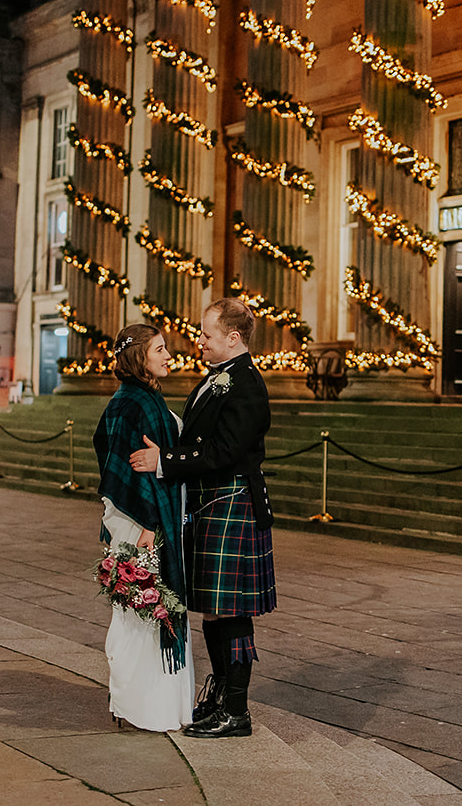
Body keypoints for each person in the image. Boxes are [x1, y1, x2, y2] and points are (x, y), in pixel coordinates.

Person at [131, 298, 274, 739]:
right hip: (212, 503)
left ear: (233, 338)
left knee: (230, 613)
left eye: (207, 335)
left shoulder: (246, 383)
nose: (199, 341)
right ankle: (221, 699)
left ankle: (237, 710)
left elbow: (224, 451)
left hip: (232, 502)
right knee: (214, 611)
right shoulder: (216, 379)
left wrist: (164, 460)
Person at [93, 324, 194, 731]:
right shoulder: (135, 403)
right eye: (160, 349)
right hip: (143, 526)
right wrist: (147, 524)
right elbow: (125, 467)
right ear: (139, 357)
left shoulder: (143, 399)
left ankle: (147, 705)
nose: (169, 355)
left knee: (147, 613)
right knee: (143, 613)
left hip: (149, 521)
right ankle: (141, 707)